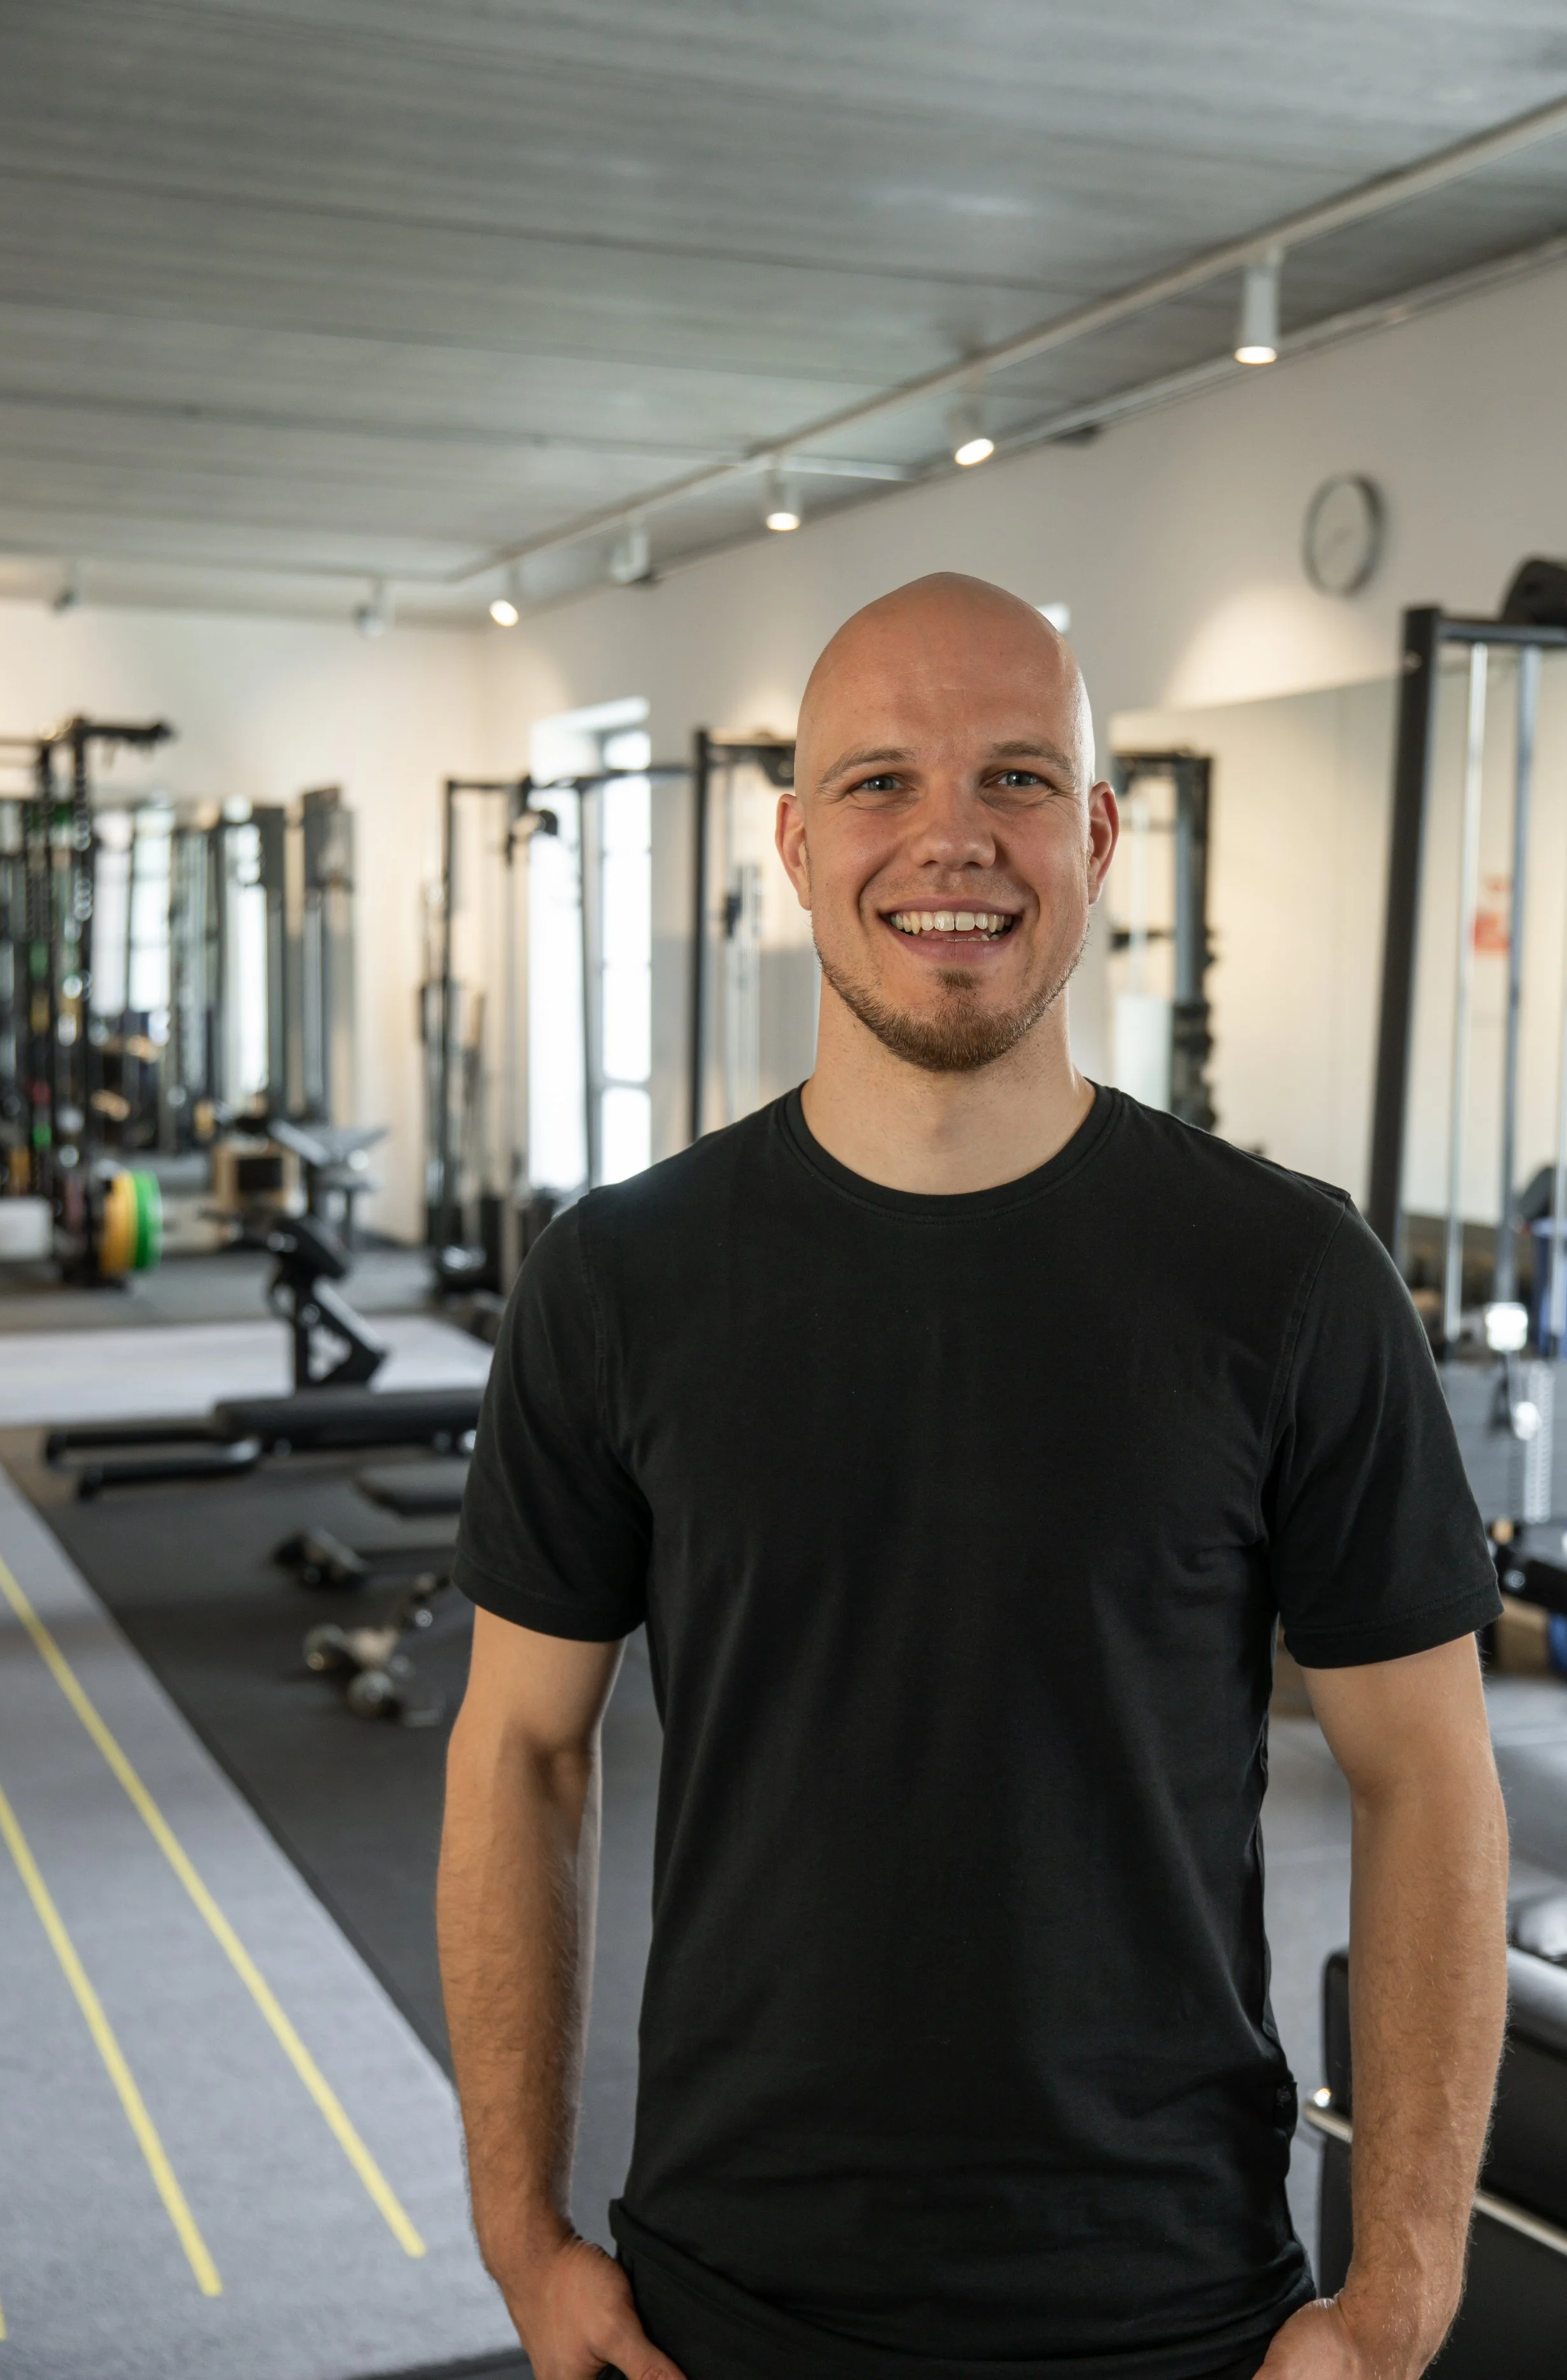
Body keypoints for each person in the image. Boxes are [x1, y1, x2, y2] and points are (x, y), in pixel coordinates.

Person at [439, 572, 1508, 2380]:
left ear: (1096, 836)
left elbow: (1430, 1780)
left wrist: (1397, 2300)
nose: (953, 837)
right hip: (727, 2296)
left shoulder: (1290, 1279)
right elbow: (519, 1751)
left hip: (1168, 2303)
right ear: (797, 845)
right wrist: (516, 2234)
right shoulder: (617, 1279)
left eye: (1017, 776)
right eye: (881, 781)